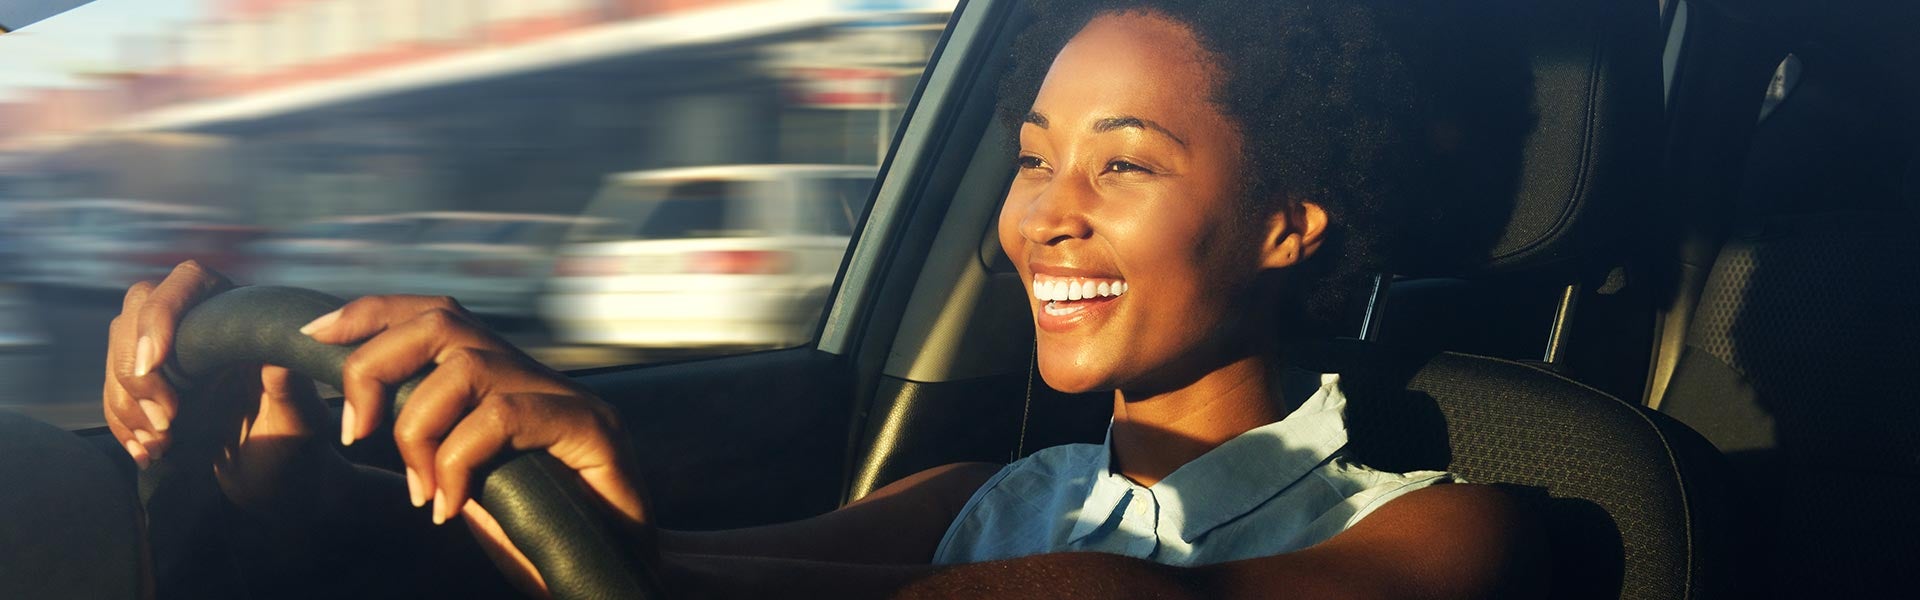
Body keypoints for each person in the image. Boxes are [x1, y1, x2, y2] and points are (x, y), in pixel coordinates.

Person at [101, 0, 1545, 597]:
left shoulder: (1434, 524)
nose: (1047, 210)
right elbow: (686, 574)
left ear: (1289, 226)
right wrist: (301, 481)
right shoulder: (992, 493)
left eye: (1125, 164)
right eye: (1035, 157)